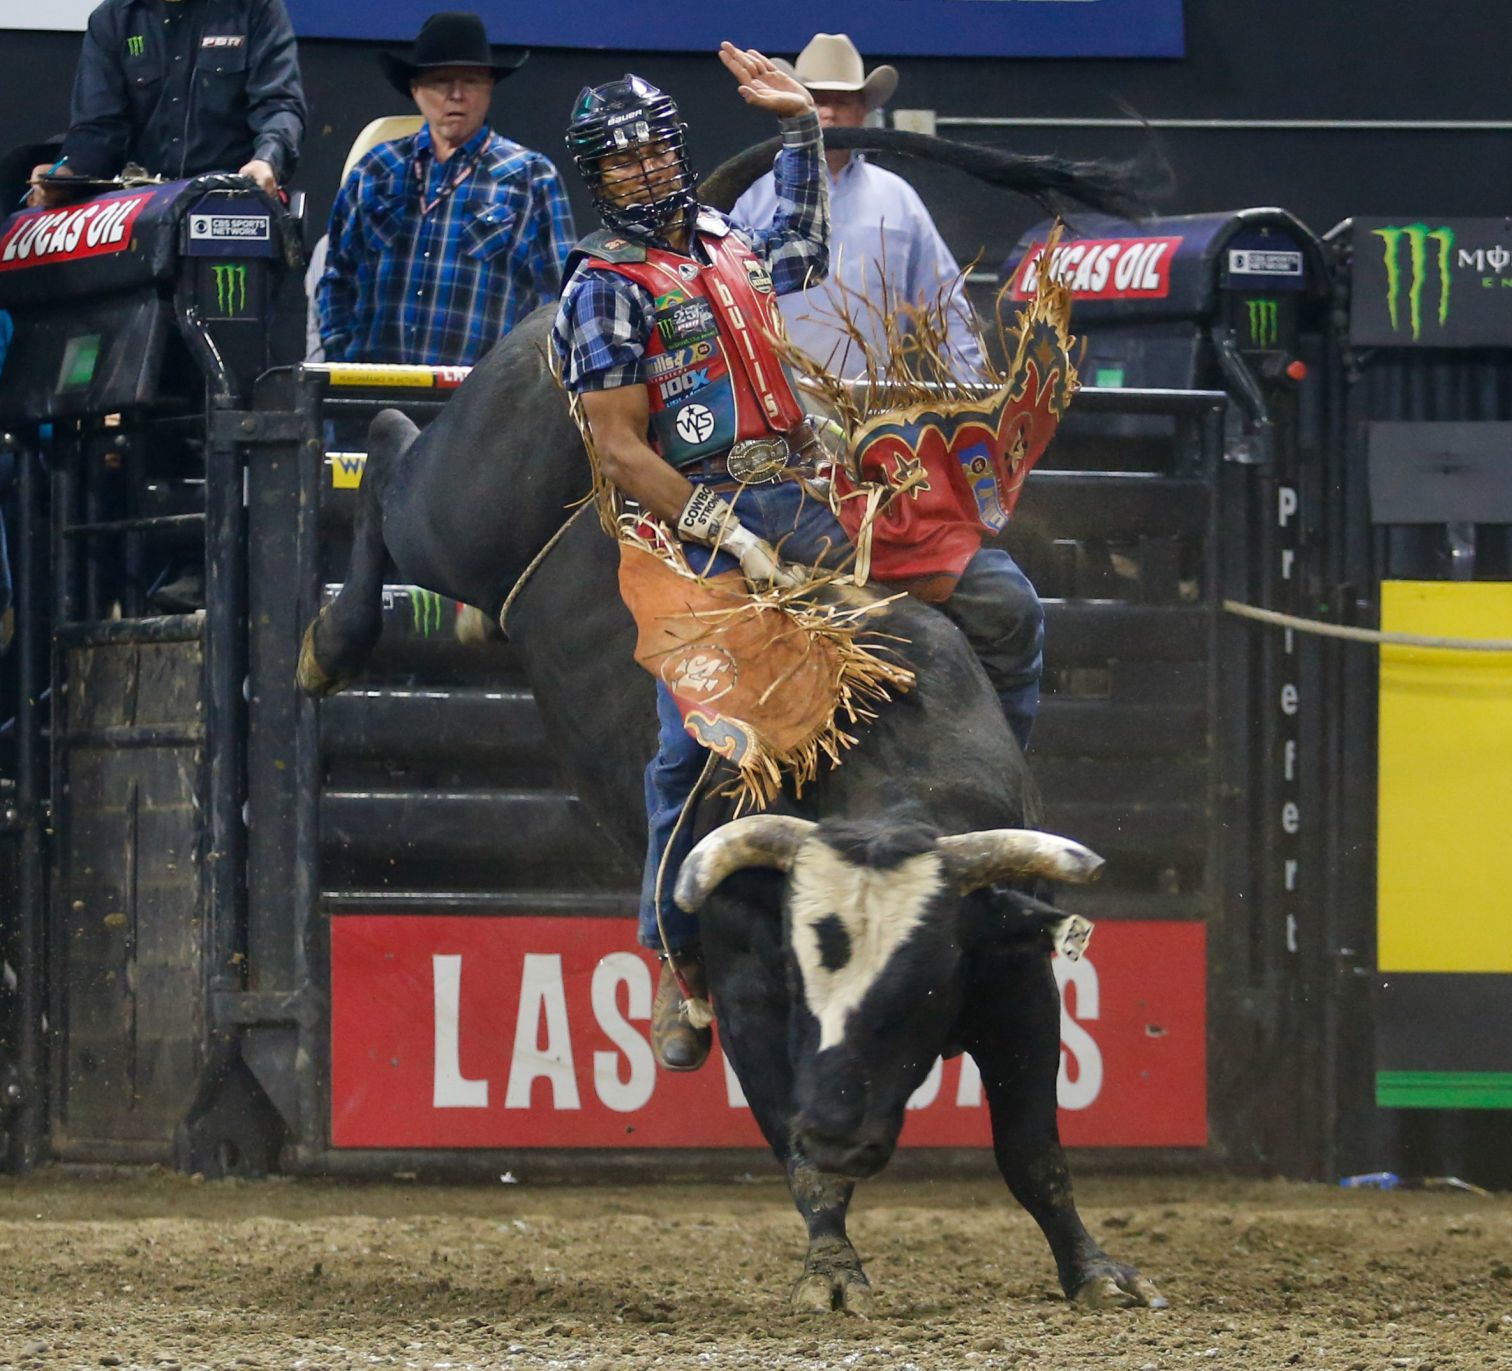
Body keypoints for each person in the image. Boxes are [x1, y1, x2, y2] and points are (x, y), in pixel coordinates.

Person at [317, 12, 574, 367]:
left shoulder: (531, 178)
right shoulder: (375, 171)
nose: (456, 95)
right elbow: (335, 278)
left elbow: (558, 301)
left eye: (470, 81)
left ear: (489, 87)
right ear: (415, 90)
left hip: (480, 407)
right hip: (368, 396)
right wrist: (341, 354)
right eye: (441, 82)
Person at [732, 32, 985, 380]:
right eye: (815, 98)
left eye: (842, 101)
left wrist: (971, 397)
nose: (828, 112)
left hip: (878, 410)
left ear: (863, 110)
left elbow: (945, 307)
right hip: (778, 408)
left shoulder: (899, 200)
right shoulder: (753, 196)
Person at [29, 0, 305, 207]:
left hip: (232, 201)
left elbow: (279, 106)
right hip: (139, 207)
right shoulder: (112, 20)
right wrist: (66, 175)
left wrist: (267, 161)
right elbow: (99, 130)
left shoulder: (255, 9)